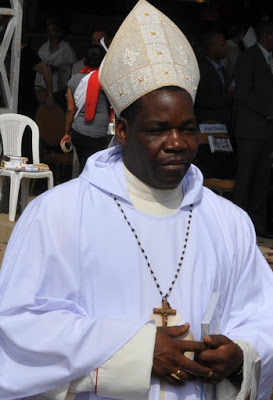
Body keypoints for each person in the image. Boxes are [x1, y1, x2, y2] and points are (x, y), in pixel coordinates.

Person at [0, 2, 273, 400]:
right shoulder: (58, 214)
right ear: (123, 131)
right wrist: (136, 352)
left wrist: (241, 353)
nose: (178, 144)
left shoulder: (228, 221)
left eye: (188, 129)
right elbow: (19, 324)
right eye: (159, 129)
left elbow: (261, 313)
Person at [232, 20, 273, 237]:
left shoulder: (270, 59)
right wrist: (267, 110)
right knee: (246, 176)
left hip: (267, 131)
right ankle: (237, 224)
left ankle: (258, 224)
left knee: (262, 178)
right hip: (250, 129)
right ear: (266, 36)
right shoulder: (249, 58)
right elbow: (243, 92)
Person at [60, 44, 110, 173]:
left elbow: (70, 109)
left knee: (83, 163)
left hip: (78, 131)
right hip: (98, 132)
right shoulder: (105, 81)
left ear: (84, 59)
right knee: (94, 168)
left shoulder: (74, 80)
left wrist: (67, 132)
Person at [194, 31, 234, 130]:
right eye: (222, 45)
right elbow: (201, 100)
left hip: (223, 124)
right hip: (208, 125)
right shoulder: (201, 69)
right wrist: (229, 97)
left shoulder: (222, 69)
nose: (226, 48)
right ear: (212, 47)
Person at [35, 19, 77, 111]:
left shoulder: (66, 50)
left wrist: (59, 68)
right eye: (49, 31)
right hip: (43, 87)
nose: (51, 33)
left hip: (59, 89)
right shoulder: (44, 48)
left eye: (53, 30)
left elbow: (72, 68)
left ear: (59, 32)